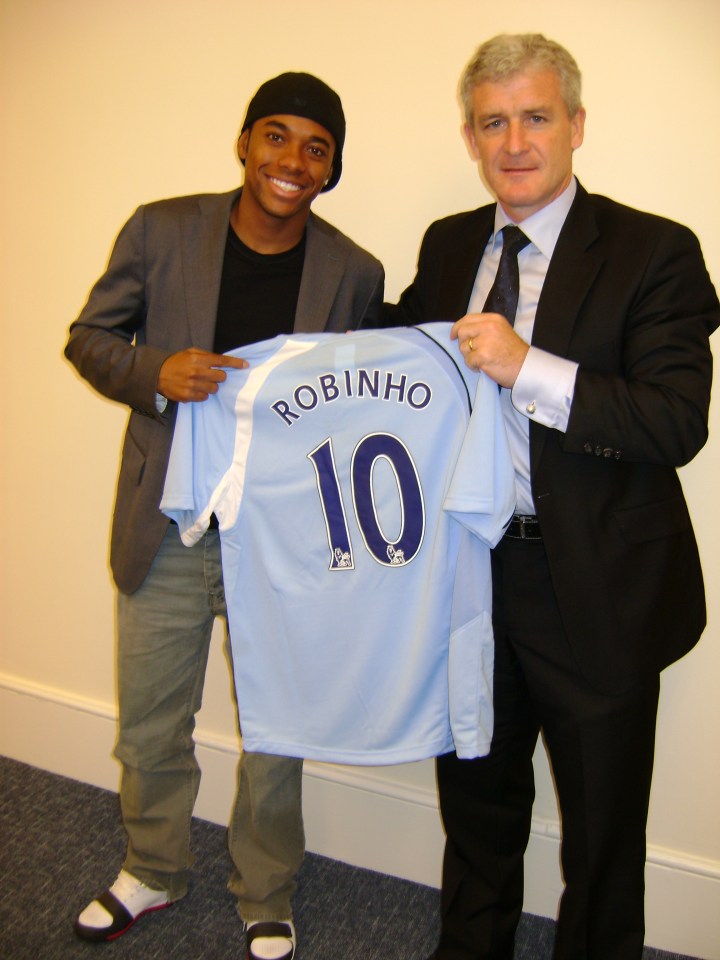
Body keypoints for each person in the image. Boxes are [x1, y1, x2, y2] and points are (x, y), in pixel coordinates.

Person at [384, 33, 719, 960]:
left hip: (598, 585)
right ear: (470, 135)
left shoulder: (655, 250)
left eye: (535, 116)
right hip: (468, 580)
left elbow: (673, 420)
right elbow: (400, 362)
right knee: (478, 806)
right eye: (494, 122)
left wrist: (530, 368)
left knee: (604, 835)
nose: (515, 141)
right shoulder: (451, 243)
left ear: (577, 125)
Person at [64, 71, 383, 960]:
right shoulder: (161, 229)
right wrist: (153, 371)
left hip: (278, 538)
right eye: (275, 136)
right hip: (167, 522)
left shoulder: (354, 271)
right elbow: (90, 336)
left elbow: (350, 404)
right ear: (244, 142)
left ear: (332, 169)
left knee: (277, 730)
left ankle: (267, 888)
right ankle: (154, 867)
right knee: (149, 721)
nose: (292, 160)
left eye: (315, 147)